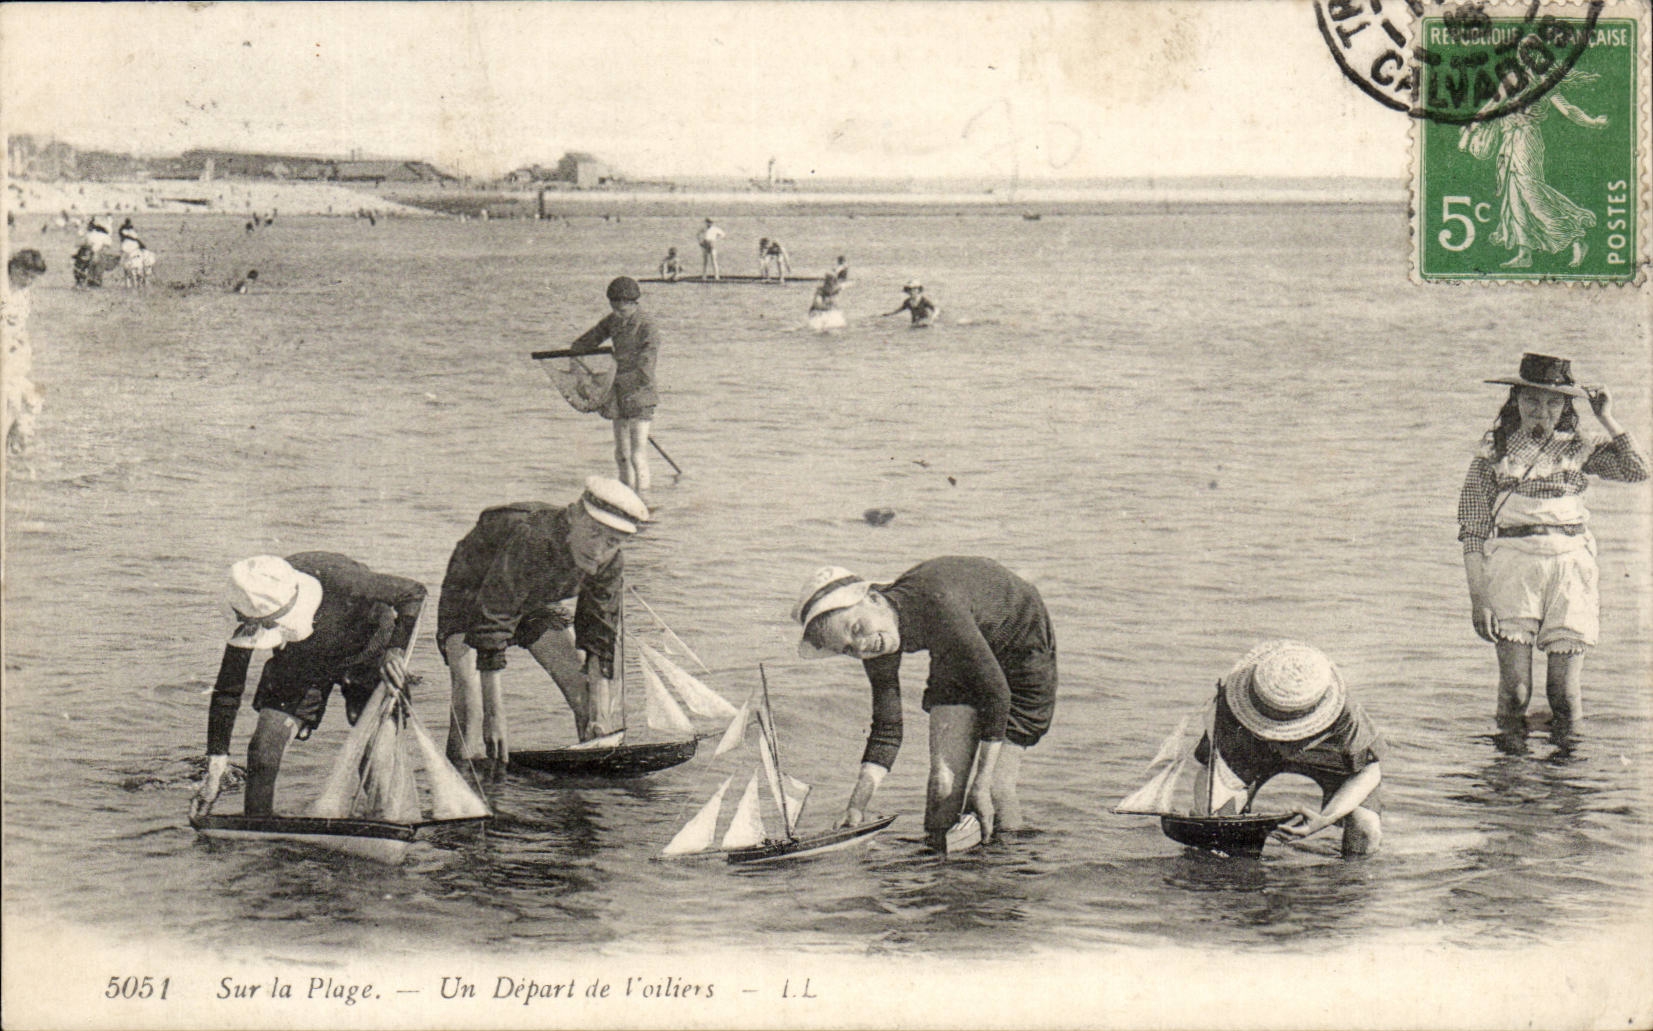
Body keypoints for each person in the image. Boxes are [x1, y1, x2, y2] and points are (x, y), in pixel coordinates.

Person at [793, 557, 1058, 848]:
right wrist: (856, 805)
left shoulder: (937, 602)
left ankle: (1010, 868)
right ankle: (940, 871)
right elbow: (887, 729)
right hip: (958, 647)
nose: (861, 647)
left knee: (994, 789)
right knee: (943, 786)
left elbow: (997, 694)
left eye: (856, 629)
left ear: (873, 599)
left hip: (1020, 643)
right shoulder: (876, 644)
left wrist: (980, 784)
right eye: (847, 649)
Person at [1457, 353, 1647, 729]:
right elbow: (1473, 528)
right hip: (1513, 565)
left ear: (1565, 406)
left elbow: (1638, 469)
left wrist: (1606, 416)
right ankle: (1508, 778)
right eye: (1531, 400)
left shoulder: (1580, 446)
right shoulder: (1493, 450)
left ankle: (1566, 779)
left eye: (1552, 402)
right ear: (1516, 401)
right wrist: (1479, 600)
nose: (1540, 411)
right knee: (1515, 692)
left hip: (1570, 566)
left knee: (1563, 692)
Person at [190, 554, 426, 818]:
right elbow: (228, 689)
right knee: (263, 748)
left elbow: (413, 592)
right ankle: (258, 826)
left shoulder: (345, 582)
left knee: (376, 755)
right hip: (301, 656)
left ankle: (382, 820)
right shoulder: (249, 600)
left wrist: (395, 650)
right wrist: (215, 769)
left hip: (367, 646)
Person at [438, 479, 649, 763]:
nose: (598, 550)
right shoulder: (532, 537)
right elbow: (494, 618)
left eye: (611, 541)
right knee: (472, 711)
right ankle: (462, 787)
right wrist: (495, 715)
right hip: (471, 600)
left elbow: (600, 634)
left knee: (589, 700)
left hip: (534, 602)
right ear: (575, 516)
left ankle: (591, 791)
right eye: (593, 533)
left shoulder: (609, 562)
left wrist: (599, 712)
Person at [1193, 640, 1384, 857]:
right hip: (1254, 755)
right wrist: (1208, 820)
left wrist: (1324, 820)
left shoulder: (1346, 712)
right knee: (1218, 831)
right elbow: (1210, 767)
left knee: (1366, 830)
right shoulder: (1228, 706)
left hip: (1330, 761)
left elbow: (1368, 772)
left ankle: (1349, 883)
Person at [1459, 71, 1607, 269]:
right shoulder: (1512, 78)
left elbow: (1567, 109)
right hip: (1510, 140)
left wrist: (1591, 122)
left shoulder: (1546, 82)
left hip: (1527, 139)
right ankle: (1524, 253)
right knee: (1514, 194)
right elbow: (1491, 105)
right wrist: (1472, 127)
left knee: (1530, 192)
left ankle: (1575, 238)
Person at [569, 276, 662, 492]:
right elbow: (587, 341)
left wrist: (621, 379)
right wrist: (575, 352)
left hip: (641, 395)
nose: (617, 314)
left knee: (638, 455)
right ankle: (626, 493)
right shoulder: (613, 321)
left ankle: (643, 501)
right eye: (613, 308)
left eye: (621, 309)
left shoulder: (648, 327)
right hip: (618, 394)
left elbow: (646, 367)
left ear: (632, 303)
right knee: (621, 454)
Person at [4, 249, 48, 456]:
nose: (29, 281)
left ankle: (15, 450)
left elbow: (20, 325)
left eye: (33, 278)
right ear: (14, 267)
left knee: (32, 400)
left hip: (15, 355)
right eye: (26, 275)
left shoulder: (23, 292)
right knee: (11, 402)